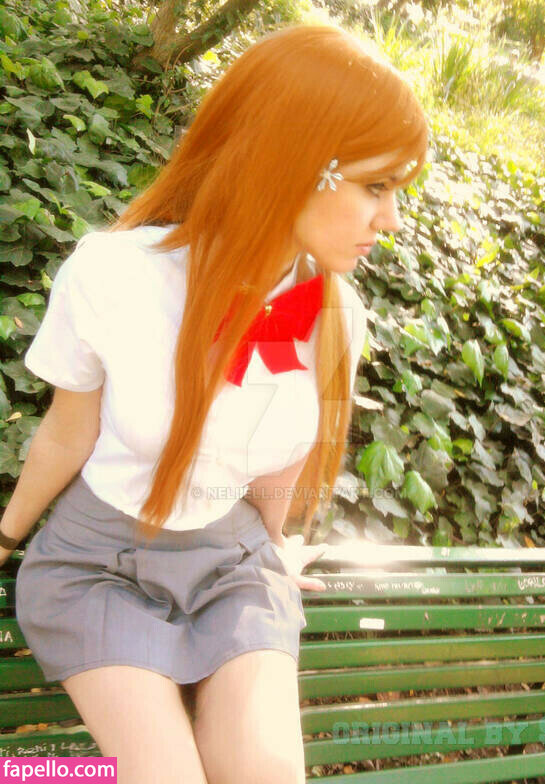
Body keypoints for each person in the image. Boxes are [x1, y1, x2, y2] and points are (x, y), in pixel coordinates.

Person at [0, 21, 428, 784]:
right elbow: (68, 433)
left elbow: (282, 462)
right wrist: (5, 536)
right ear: (293, 162)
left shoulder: (339, 314)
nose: (391, 220)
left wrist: (272, 546)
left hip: (232, 566)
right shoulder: (114, 276)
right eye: (376, 186)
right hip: (101, 566)